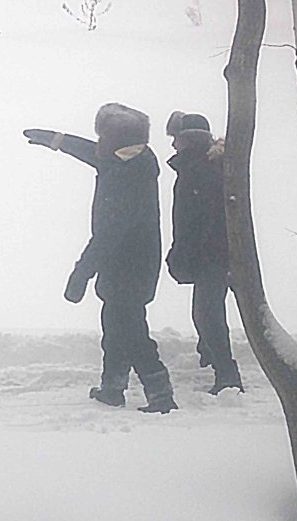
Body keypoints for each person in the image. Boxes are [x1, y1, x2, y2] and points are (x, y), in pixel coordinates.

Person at [24, 103, 177, 413]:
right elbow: (89, 152)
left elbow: (108, 233)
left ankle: (161, 395)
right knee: (115, 325)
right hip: (127, 263)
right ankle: (113, 387)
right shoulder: (130, 157)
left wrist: (81, 274)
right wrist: (56, 140)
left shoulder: (129, 174)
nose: (99, 142)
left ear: (115, 139)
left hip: (130, 265)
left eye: (103, 136)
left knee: (131, 331)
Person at [165, 111, 242, 395]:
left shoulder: (200, 170)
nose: (173, 145)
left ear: (188, 140)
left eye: (176, 139)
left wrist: (186, 252)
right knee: (206, 313)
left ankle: (227, 375)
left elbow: (197, 220)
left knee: (207, 314)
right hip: (213, 254)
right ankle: (211, 357)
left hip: (212, 255)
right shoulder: (202, 167)